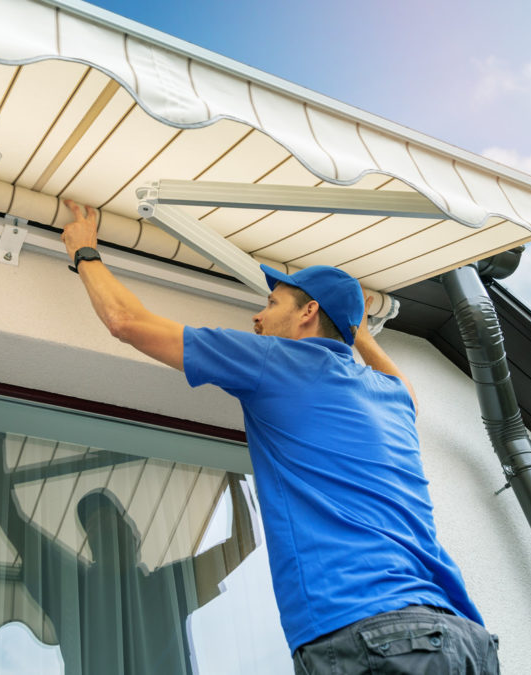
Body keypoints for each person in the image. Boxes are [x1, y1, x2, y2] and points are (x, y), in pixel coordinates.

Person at [59, 201, 499, 674]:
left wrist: (83, 249)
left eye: (271, 304)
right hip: (463, 640)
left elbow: (127, 323)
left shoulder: (276, 362)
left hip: (369, 633)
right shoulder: (391, 398)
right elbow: (403, 384)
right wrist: (358, 331)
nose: (258, 318)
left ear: (309, 312)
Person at [0, 429, 256, 675]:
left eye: (108, 523)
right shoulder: (75, 589)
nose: (101, 531)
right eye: (95, 528)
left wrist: (232, 460)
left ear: (132, 536)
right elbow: (6, 512)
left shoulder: (165, 588)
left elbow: (243, 544)